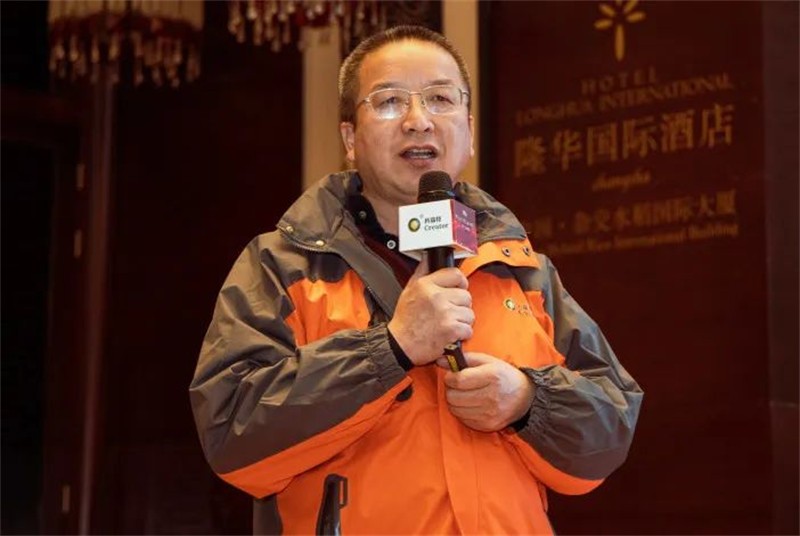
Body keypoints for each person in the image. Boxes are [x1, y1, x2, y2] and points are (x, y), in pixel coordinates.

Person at [190, 25, 643, 535]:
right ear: (349, 139)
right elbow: (231, 432)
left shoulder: (521, 268)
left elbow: (611, 430)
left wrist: (526, 401)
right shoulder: (283, 264)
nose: (418, 120)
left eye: (440, 99)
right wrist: (390, 348)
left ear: (469, 130)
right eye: (389, 102)